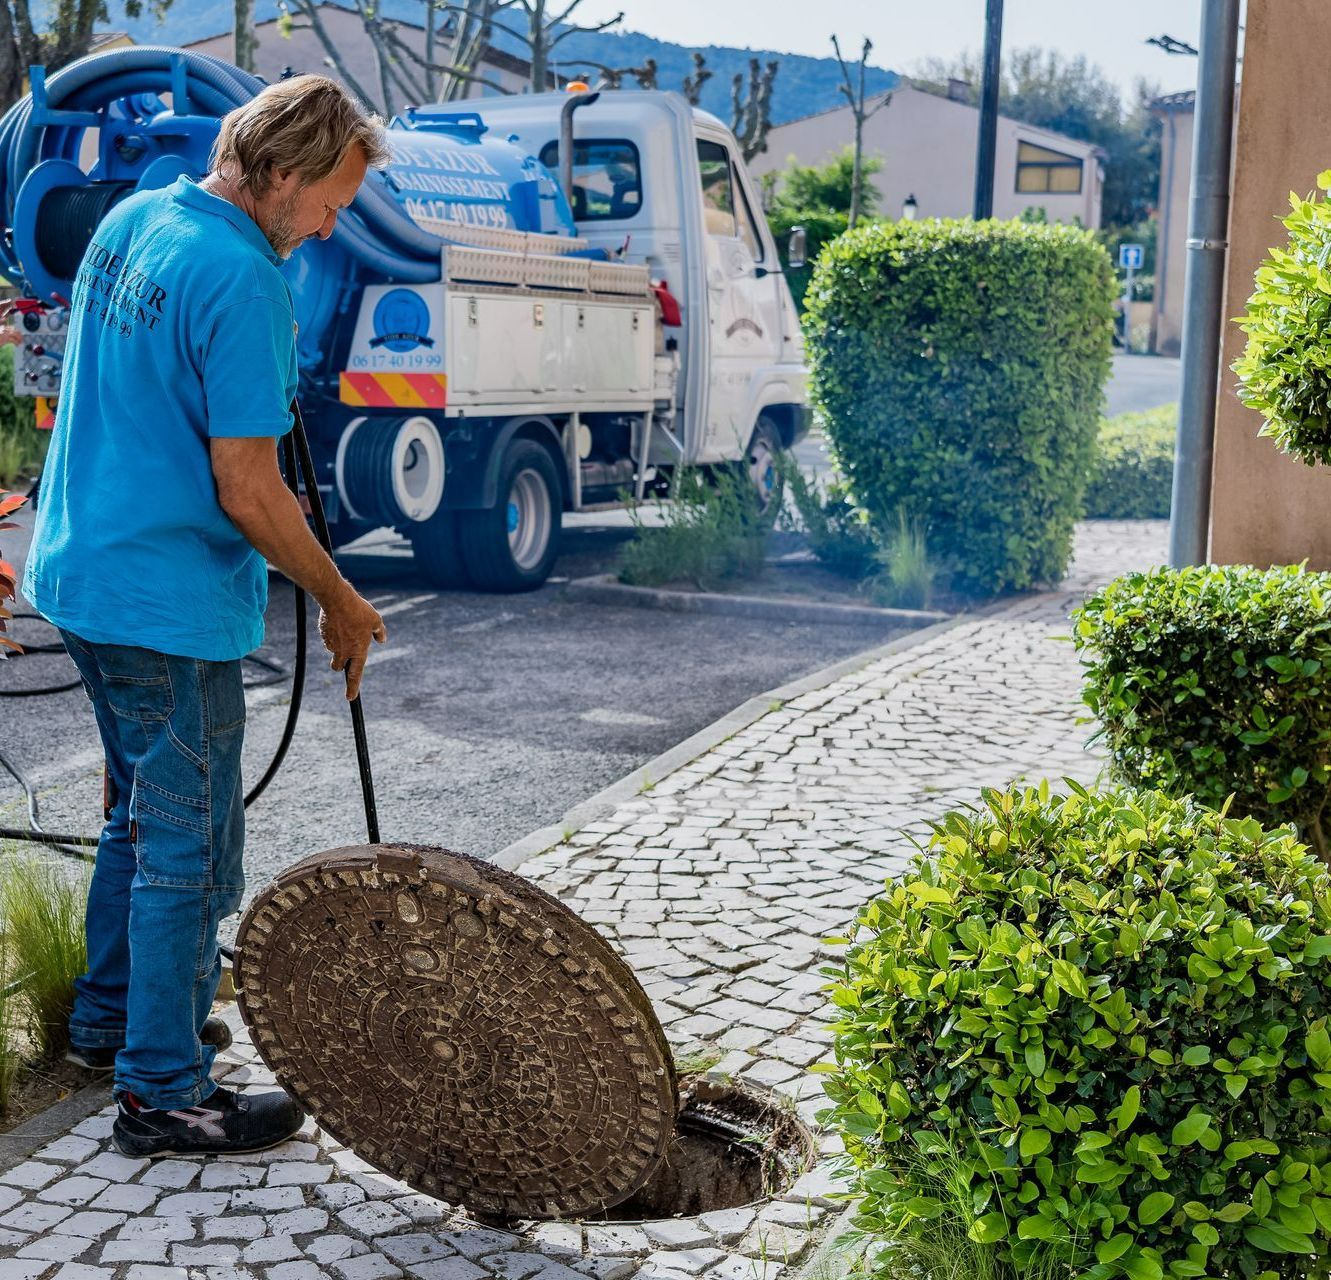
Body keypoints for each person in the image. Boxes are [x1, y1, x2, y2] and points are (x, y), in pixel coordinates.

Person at [22, 75, 390, 1159]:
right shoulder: (241, 277)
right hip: (164, 605)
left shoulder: (137, 216)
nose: (328, 229)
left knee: (137, 816)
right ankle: (163, 1092)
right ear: (277, 174)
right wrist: (339, 597)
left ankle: (115, 1024)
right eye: (327, 204)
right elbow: (250, 488)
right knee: (189, 845)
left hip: (80, 573)